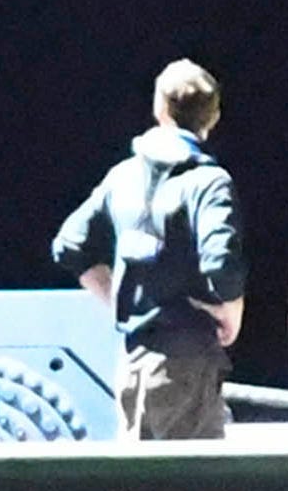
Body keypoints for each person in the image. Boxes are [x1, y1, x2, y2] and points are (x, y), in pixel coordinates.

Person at [52, 59, 245, 441]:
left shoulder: (122, 176)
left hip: (132, 368)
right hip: (186, 368)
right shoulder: (208, 183)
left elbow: (69, 246)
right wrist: (231, 312)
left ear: (159, 109)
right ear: (214, 116)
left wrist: (116, 299)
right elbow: (220, 263)